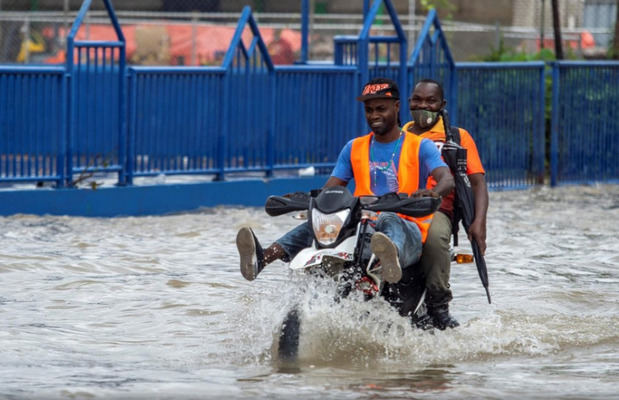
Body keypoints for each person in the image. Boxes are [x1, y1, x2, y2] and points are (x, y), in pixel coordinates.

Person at [235, 77, 454, 291]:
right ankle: (262, 259)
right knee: (315, 224)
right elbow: (330, 189)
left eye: (381, 109)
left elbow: (447, 178)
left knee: (389, 219)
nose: (374, 115)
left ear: (397, 107)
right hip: (361, 225)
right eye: (369, 110)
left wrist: (433, 192)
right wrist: (306, 199)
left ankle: (387, 259)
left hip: (406, 227)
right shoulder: (353, 147)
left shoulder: (420, 146)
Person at [403, 78, 489, 330]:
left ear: (442, 104)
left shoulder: (457, 136)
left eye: (431, 101)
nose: (424, 106)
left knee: (434, 237)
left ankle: (439, 305)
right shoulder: (400, 134)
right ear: (408, 103)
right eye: (417, 100)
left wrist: (479, 222)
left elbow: (478, 183)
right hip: (398, 205)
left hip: (438, 208)